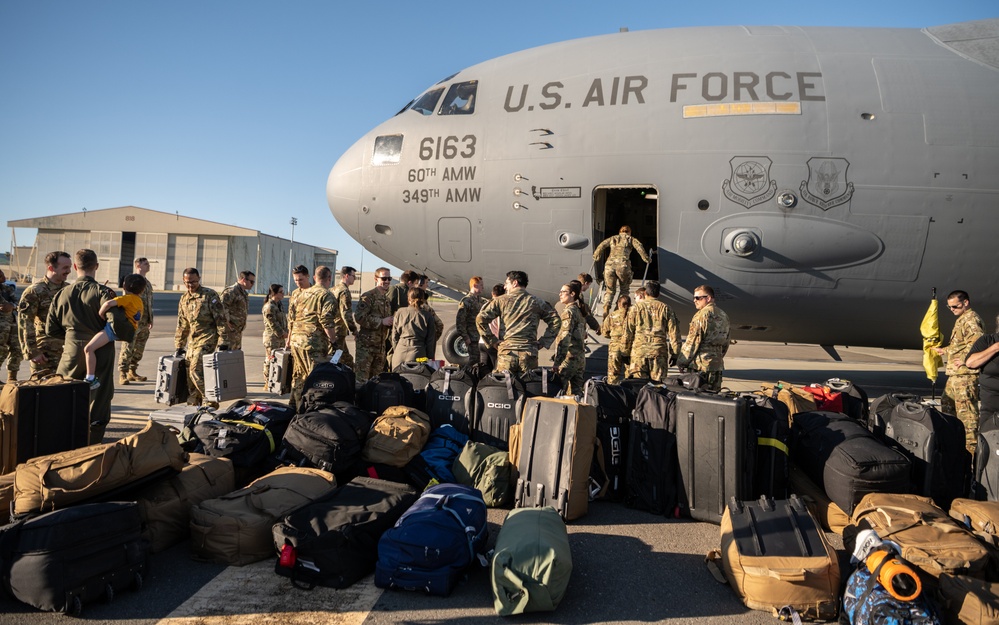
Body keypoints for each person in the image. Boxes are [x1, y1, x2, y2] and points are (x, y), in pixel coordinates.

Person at [46, 249, 118, 443]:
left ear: (76, 267)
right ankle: (91, 446)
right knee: (98, 401)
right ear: (96, 266)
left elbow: (51, 329)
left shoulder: (62, 294)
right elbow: (118, 325)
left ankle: (62, 443)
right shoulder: (103, 293)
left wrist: (73, 338)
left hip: (70, 351)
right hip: (100, 353)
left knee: (64, 395)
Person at [476, 270, 560, 378]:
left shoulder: (500, 301)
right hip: (529, 354)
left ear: (514, 283)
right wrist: (542, 342)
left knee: (505, 388)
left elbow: (480, 319)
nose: (505, 287)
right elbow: (556, 321)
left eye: (507, 283)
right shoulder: (537, 302)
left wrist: (492, 341)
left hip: (507, 354)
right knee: (529, 388)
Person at [933, 290, 985, 452]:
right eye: (949, 307)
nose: (952, 309)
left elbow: (978, 342)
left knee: (967, 416)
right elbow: (961, 345)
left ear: (966, 303)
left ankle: (970, 456)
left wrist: (964, 359)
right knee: (948, 406)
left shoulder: (971, 319)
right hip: (956, 374)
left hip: (965, 374)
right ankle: (954, 448)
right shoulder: (962, 319)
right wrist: (945, 350)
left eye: (955, 306)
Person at [174, 267, 228, 408]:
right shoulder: (184, 298)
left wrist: (224, 341)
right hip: (192, 341)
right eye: (187, 282)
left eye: (193, 282)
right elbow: (182, 324)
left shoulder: (209, 295)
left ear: (199, 279)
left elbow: (221, 320)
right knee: (189, 375)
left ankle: (210, 400)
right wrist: (179, 345)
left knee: (195, 370)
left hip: (208, 338)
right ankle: (194, 403)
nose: (190, 285)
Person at [83, 273, 145, 390]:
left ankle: (90, 378)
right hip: (129, 331)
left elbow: (108, 303)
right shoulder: (139, 301)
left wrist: (101, 313)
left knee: (89, 349)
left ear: (125, 286)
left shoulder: (127, 299)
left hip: (113, 330)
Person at [288, 266, 338, 408]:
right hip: (312, 343)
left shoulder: (302, 294)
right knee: (315, 379)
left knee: (298, 376)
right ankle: (309, 410)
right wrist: (333, 341)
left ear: (315, 277)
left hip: (296, 341)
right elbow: (326, 320)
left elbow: (292, 318)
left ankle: (295, 406)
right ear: (329, 278)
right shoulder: (326, 295)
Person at [18, 250, 71, 376]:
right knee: (43, 391)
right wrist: (32, 352)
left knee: (66, 392)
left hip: (68, 351)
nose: (69, 271)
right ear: (51, 268)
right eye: (65, 267)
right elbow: (25, 322)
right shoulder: (35, 291)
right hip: (45, 353)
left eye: (69, 267)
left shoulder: (69, 289)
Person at [676, 285, 731, 392]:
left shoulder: (701, 315)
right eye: (694, 298)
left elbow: (692, 342)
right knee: (714, 398)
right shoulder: (724, 315)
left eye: (698, 298)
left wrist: (682, 362)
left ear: (708, 298)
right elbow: (726, 341)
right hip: (716, 366)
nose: (694, 301)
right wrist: (717, 357)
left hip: (700, 367)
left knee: (697, 399)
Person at [627, 280, 681, 383]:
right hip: (658, 352)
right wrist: (675, 354)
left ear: (645, 293)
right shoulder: (666, 309)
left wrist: (625, 352)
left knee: (638, 385)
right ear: (658, 294)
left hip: (639, 352)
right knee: (657, 386)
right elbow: (674, 334)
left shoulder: (635, 309)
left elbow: (628, 332)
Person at [593, 225, 652, 317]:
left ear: (620, 231)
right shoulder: (630, 239)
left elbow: (602, 245)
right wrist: (646, 259)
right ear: (629, 232)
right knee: (624, 290)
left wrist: (596, 255)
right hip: (623, 266)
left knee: (610, 290)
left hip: (609, 266)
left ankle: (606, 308)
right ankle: (618, 309)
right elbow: (639, 247)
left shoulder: (613, 238)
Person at [117, 257, 154, 385]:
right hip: (133, 320)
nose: (148, 266)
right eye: (146, 264)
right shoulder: (131, 281)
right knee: (128, 346)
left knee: (139, 348)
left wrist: (150, 318)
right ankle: (123, 373)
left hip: (144, 321)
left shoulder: (147, 283)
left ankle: (132, 371)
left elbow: (149, 302)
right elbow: (125, 299)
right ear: (138, 265)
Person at [353, 267, 394, 383]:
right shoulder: (368, 296)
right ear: (376, 279)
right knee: (361, 380)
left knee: (376, 381)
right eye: (384, 278)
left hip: (380, 347)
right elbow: (359, 317)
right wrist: (381, 321)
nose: (387, 281)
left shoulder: (386, 300)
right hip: (366, 348)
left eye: (389, 278)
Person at [390, 287, 437, 370]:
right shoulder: (427, 316)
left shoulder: (400, 312)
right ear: (423, 299)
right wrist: (430, 358)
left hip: (400, 352)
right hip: (418, 352)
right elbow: (430, 340)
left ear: (408, 299)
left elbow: (394, 336)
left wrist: (396, 349)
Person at [553, 283, 586, 395]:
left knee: (558, 389)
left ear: (572, 294)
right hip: (579, 358)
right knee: (576, 393)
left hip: (569, 358)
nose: (560, 294)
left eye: (563, 292)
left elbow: (565, 337)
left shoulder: (569, 312)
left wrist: (558, 361)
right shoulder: (579, 311)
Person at [967, 314, 999, 420]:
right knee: (988, 434)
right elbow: (971, 363)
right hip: (991, 406)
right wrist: (995, 348)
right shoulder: (987, 341)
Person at [455, 276, 486, 367]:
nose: (483, 287)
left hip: (480, 337)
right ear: (475, 285)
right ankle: (465, 376)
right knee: (473, 360)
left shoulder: (480, 301)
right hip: (471, 337)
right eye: (481, 285)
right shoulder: (466, 301)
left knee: (480, 360)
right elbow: (460, 321)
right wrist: (465, 336)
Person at [220, 270, 255, 350]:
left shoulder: (242, 293)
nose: (252, 284)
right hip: (229, 333)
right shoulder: (231, 291)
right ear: (243, 280)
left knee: (235, 358)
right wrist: (227, 321)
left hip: (237, 332)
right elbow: (222, 307)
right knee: (226, 357)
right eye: (251, 282)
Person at [331, 266, 358, 368]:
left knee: (346, 359)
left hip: (333, 329)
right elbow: (346, 314)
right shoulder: (344, 291)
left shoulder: (333, 289)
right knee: (335, 359)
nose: (354, 279)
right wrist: (354, 331)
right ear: (347, 276)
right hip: (338, 331)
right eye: (353, 276)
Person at [602, 295, 633, 385]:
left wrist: (614, 337)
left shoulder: (612, 315)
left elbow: (605, 332)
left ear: (619, 304)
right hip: (629, 347)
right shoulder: (633, 315)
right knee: (630, 374)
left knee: (613, 374)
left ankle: (612, 394)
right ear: (630, 304)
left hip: (615, 347)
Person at [262, 283, 288, 381]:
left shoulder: (279, 305)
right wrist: (283, 333)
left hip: (279, 338)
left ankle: (275, 379)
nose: (283, 294)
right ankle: (267, 380)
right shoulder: (269, 307)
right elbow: (272, 323)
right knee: (270, 359)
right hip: (272, 338)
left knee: (278, 360)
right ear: (274, 293)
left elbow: (282, 321)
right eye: (281, 292)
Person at [0, 270, 21, 383]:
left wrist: (12, 306)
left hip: (11, 324)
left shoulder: (7, 289)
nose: (3, 277)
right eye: (1, 276)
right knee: (1, 350)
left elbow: (19, 304)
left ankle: (12, 377)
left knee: (17, 349)